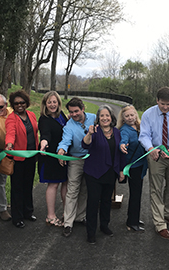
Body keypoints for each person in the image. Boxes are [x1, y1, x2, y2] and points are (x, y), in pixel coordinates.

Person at [139, 86, 169, 240]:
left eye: (168, 104)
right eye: (162, 104)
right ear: (157, 101)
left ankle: (168, 214)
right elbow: (144, 135)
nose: (165, 107)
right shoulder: (148, 114)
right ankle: (160, 224)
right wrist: (150, 148)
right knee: (156, 189)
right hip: (156, 154)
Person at [82, 105, 125, 244]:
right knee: (93, 202)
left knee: (107, 201)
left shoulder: (117, 132)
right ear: (98, 118)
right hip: (94, 173)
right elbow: (85, 145)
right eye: (102, 116)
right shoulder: (94, 131)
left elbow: (119, 152)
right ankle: (91, 232)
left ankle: (105, 225)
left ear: (111, 117)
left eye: (107, 116)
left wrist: (121, 170)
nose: (105, 118)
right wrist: (89, 134)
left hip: (110, 173)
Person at [57, 97, 96, 237]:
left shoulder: (94, 118)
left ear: (83, 108)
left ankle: (80, 216)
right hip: (75, 159)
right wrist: (61, 150)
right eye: (71, 112)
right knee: (72, 189)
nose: (74, 114)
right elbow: (65, 140)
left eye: (76, 111)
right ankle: (68, 223)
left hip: (92, 159)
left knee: (85, 188)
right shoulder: (69, 126)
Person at [5, 90, 39, 228]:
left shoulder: (31, 115)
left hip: (31, 156)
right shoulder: (11, 118)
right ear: (12, 105)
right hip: (18, 159)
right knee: (17, 187)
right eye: (16, 103)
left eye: (22, 102)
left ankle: (28, 212)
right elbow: (10, 133)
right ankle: (17, 217)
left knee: (28, 185)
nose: (19, 105)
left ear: (26, 103)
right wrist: (9, 144)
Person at [38, 91, 68, 227]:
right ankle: (50, 216)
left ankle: (67, 212)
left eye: (54, 102)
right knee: (53, 184)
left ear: (58, 103)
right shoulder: (44, 119)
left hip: (63, 154)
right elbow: (45, 134)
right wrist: (43, 143)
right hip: (50, 157)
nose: (52, 104)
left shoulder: (61, 116)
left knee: (65, 183)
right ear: (45, 104)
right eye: (49, 102)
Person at [117, 105, 147, 232]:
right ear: (123, 118)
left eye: (132, 115)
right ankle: (132, 222)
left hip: (140, 165)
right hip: (132, 166)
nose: (130, 118)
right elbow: (123, 140)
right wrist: (122, 145)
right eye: (127, 116)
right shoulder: (125, 130)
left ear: (136, 115)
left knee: (138, 193)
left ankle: (134, 217)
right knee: (135, 194)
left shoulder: (140, 127)